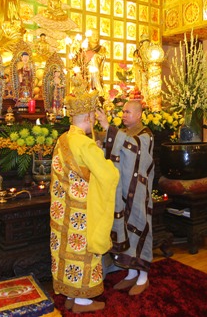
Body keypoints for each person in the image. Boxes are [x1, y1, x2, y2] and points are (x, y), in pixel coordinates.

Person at [50, 87, 119, 313]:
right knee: (83, 254)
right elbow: (108, 175)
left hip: (63, 209)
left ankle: (71, 295)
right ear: (89, 117)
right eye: (93, 117)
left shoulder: (63, 139)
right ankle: (82, 302)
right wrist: (107, 162)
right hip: (82, 211)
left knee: (66, 251)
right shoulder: (85, 144)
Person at [96, 100, 154, 296]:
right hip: (122, 191)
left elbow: (135, 149)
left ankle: (143, 276)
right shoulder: (124, 133)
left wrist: (108, 128)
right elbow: (115, 152)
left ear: (139, 115)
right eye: (123, 112)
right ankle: (131, 273)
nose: (124, 115)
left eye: (128, 112)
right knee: (126, 229)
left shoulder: (146, 135)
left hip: (139, 192)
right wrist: (102, 145)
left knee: (140, 228)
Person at [84, 30, 106, 95]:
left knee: (94, 57)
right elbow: (80, 60)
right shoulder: (84, 47)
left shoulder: (101, 48)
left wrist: (94, 55)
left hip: (96, 71)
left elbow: (102, 58)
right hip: (86, 72)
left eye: (97, 35)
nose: (96, 37)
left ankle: (97, 90)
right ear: (89, 36)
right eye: (93, 35)